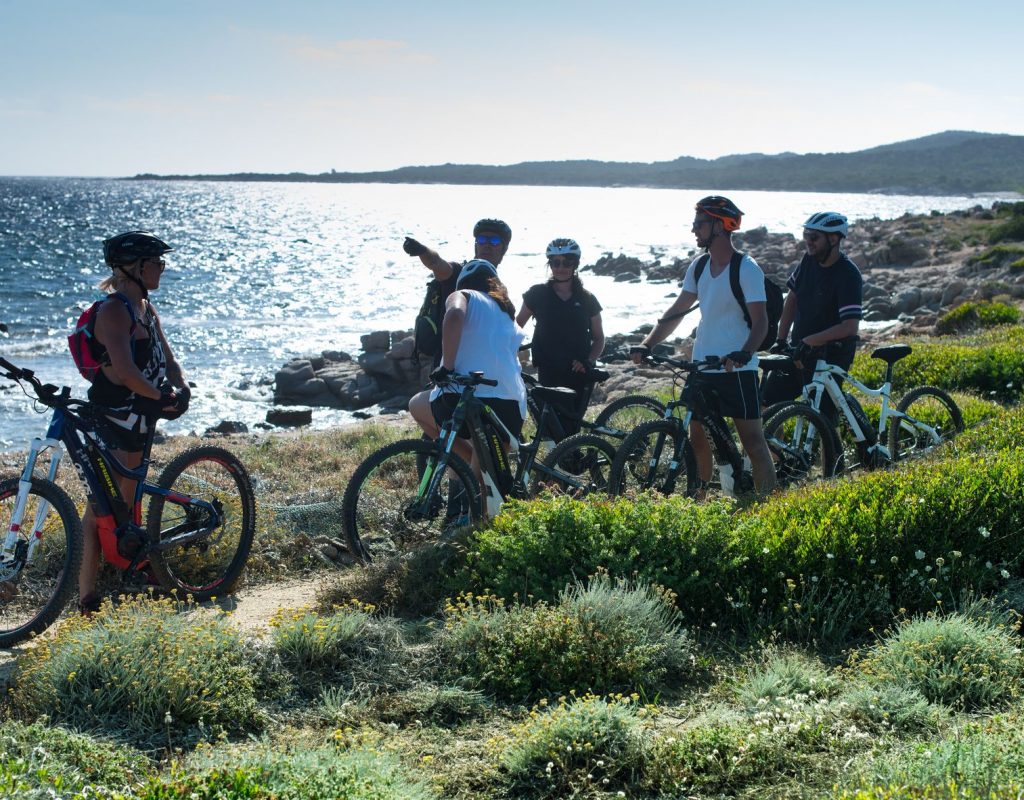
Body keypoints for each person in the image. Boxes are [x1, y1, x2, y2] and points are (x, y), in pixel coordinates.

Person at [632, 196, 777, 495]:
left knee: (752, 442)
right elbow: (676, 312)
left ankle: (767, 506)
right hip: (703, 365)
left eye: (699, 224)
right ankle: (698, 501)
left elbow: (760, 321)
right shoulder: (699, 267)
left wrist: (744, 352)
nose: (693, 230)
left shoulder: (746, 269)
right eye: (694, 223)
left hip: (737, 368)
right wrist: (648, 343)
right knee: (696, 436)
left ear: (720, 226)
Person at [78, 231, 189, 614]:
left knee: (128, 500)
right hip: (113, 415)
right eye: (157, 262)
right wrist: (161, 397)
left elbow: (167, 357)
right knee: (103, 505)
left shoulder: (144, 306)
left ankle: (135, 568)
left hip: (141, 416)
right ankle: (87, 594)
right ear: (135, 267)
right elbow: (124, 370)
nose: (162, 268)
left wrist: (181, 386)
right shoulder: (113, 311)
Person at [408, 259, 526, 518]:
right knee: (482, 493)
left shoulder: (461, 295)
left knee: (417, 405)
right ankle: (480, 470)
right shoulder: (505, 311)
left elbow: (454, 316)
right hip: (510, 407)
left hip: (461, 397)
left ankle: (475, 470)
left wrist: (447, 367)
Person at [762, 211, 863, 422]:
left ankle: (834, 454)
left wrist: (812, 340)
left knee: (823, 415)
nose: (808, 242)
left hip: (833, 352)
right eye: (806, 235)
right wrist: (781, 339)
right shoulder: (809, 261)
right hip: (802, 348)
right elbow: (792, 298)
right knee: (766, 403)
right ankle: (776, 454)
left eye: (814, 237)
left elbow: (850, 327)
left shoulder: (848, 274)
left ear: (834, 239)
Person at [516, 237, 605, 436]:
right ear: (550, 264)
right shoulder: (537, 294)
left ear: (576, 264)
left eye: (567, 262)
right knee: (550, 427)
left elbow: (599, 338)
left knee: (571, 429)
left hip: (578, 371)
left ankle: (574, 464)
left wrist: (588, 361)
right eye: (556, 262)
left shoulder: (587, 298)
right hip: (548, 369)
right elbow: (516, 327)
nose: (561, 267)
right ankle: (562, 464)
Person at [402, 218, 513, 367]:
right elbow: (436, 263)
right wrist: (422, 250)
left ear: (503, 249)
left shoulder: (499, 289)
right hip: (449, 369)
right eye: (481, 239)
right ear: (475, 245)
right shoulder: (459, 273)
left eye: (494, 240)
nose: (487, 244)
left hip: (485, 369)